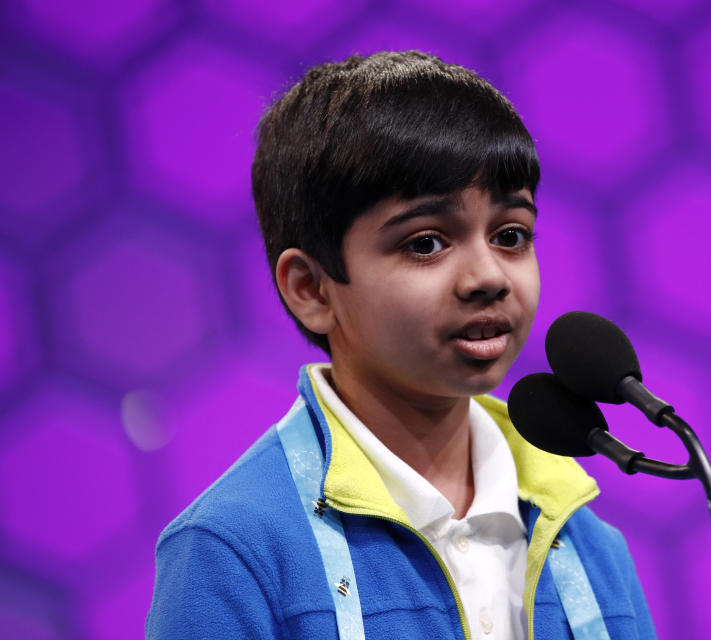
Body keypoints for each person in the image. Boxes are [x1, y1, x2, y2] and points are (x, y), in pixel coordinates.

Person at [146, 50, 656, 639]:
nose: (488, 276)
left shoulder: (591, 547)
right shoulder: (234, 552)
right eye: (426, 243)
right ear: (311, 288)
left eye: (511, 235)